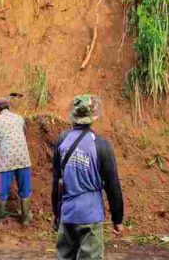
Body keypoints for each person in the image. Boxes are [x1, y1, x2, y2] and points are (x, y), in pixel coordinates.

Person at [52, 94, 124, 260]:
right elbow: (113, 186)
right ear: (92, 118)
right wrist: (117, 219)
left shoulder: (62, 140)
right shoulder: (101, 145)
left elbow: (56, 181)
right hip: (90, 216)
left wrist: (57, 213)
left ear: (73, 117)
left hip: (67, 214)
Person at [0, 97, 33, 226]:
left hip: (6, 160)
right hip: (23, 158)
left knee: (1, 192)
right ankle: (25, 218)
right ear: (9, 107)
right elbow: (23, 134)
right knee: (25, 190)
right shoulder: (19, 118)